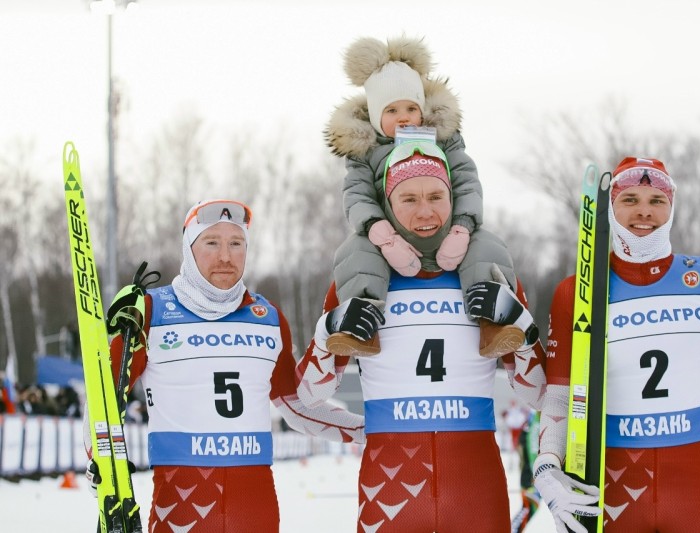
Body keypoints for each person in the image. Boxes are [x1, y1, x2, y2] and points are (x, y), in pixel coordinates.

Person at [532, 157, 700, 533]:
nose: (644, 211)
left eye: (657, 200)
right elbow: (561, 395)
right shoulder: (576, 292)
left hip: (692, 483)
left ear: (672, 207)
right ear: (611, 207)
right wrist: (547, 463)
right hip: (611, 479)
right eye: (630, 199)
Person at [296, 142, 547, 532]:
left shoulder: (489, 272)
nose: (425, 211)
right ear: (387, 205)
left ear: (454, 199)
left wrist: (525, 332)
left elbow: (538, 395)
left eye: (436, 196)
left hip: (475, 489)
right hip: (391, 487)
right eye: (408, 198)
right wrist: (327, 332)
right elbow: (308, 394)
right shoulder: (361, 279)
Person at [86, 199, 366, 533]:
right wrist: (101, 462)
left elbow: (298, 408)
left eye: (236, 244)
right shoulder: (150, 312)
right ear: (188, 248)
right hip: (181, 507)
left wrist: (372, 430)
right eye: (211, 243)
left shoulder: (269, 318)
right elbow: (100, 397)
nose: (225, 257)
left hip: (256, 510)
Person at [325, 35, 523, 359]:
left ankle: (492, 321)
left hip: (444, 232)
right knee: (354, 252)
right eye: (391, 110)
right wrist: (380, 234)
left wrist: (461, 227)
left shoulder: (445, 142)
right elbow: (356, 194)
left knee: (487, 245)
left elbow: (466, 183)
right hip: (389, 238)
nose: (403, 117)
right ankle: (363, 324)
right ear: (375, 114)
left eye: (411, 108)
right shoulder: (364, 153)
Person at [511, 410, 542, 533]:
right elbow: (532, 446)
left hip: (530, 470)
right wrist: (536, 471)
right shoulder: (535, 418)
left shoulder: (533, 417)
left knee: (529, 508)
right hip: (531, 474)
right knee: (529, 508)